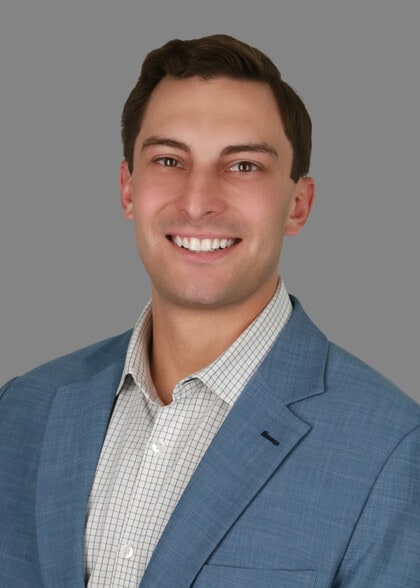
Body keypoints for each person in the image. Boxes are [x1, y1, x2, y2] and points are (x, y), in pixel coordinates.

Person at [0, 34, 419, 588]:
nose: (198, 201)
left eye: (243, 165)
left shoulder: (393, 450)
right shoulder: (21, 409)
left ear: (298, 205)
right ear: (128, 190)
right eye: (169, 160)